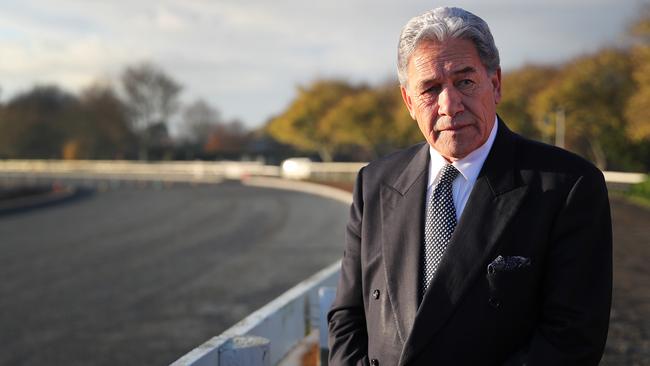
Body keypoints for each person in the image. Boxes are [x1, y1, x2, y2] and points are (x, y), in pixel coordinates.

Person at [327, 6, 612, 366]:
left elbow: (572, 337)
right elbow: (348, 317)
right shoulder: (375, 183)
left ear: (495, 84)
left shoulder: (568, 186)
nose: (450, 105)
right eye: (430, 89)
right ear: (409, 102)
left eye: (464, 81)